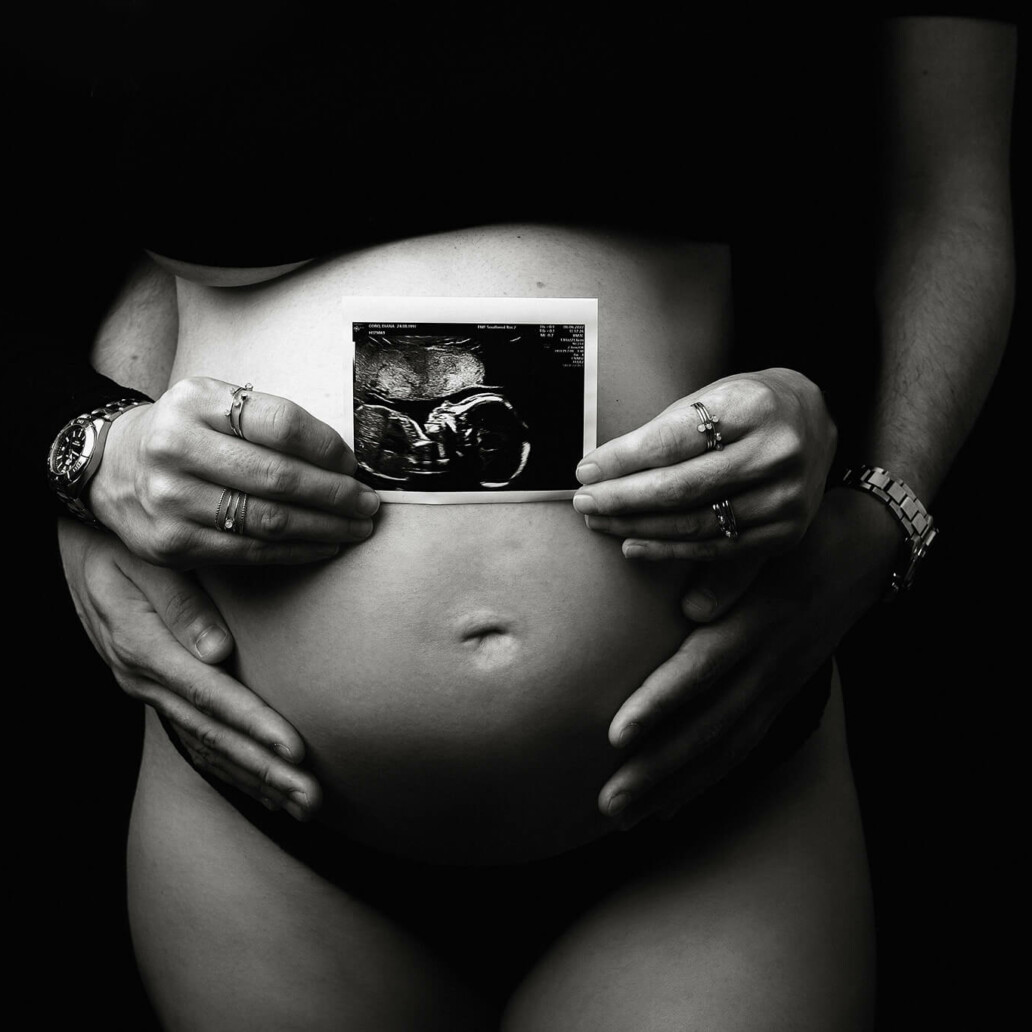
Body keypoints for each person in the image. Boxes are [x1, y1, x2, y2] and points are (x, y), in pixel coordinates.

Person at [19, 8, 1015, 1029]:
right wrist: (83, 456)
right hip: (260, 807)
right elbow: (80, 215)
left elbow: (951, 202)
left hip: (715, 785)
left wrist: (882, 511)